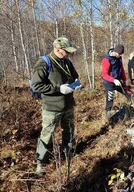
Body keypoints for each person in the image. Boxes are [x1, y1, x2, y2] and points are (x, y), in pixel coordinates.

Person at [31, 36, 82, 174]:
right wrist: (58, 88)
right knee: (47, 134)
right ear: (58, 49)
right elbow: (37, 86)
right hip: (52, 107)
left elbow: (75, 76)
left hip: (68, 105)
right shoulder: (43, 63)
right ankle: (41, 162)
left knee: (69, 130)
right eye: (67, 51)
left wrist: (76, 84)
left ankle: (67, 153)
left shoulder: (67, 62)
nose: (69, 54)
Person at [101, 44, 132, 119]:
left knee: (129, 94)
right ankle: (107, 116)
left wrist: (124, 80)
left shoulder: (119, 58)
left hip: (118, 81)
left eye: (121, 54)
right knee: (110, 100)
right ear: (115, 52)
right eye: (119, 54)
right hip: (109, 82)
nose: (120, 55)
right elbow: (104, 74)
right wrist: (113, 80)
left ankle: (130, 109)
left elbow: (122, 70)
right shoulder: (106, 59)